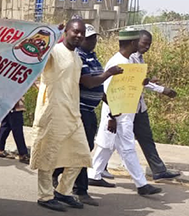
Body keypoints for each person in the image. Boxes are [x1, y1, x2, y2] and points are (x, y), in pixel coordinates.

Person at [51, 24, 123, 206]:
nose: (92, 41)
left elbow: (97, 87)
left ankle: (57, 170)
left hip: (90, 110)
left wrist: (111, 107)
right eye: (88, 38)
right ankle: (80, 189)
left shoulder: (92, 57)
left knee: (85, 148)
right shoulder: (78, 57)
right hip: (79, 109)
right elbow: (89, 82)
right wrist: (109, 73)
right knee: (82, 151)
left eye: (93, 38)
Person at [88, 28, 163, 196]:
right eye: (138, 41)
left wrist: (143, 82)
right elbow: (107, 92)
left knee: (107, 145)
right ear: (132, 43)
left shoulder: (128, 61)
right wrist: (112, 117)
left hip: (123, 112)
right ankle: (142, 184)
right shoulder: (117, 62)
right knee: (127, 147)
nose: (140, 44)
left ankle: (94, 174)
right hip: (117, 114)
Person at [29, 19, 90, 212]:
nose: (79, 35)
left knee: (81, 155)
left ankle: (63, 191)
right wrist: (51, 35)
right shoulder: (54, 52)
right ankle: (45, 195)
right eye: (75, 31)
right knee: (48, 155)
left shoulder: (78, 57)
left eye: (82, 33)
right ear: (67, 32)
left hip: (72, 113)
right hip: (52, 112)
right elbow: (34, 56)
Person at [127, 30, 180, 180]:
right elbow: (135, 81)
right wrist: (163, 90)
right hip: (128, 106)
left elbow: (141, 81)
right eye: (145, 43)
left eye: (149, 44)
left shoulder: (139, 58)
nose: (147, 47)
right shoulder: (129, 58)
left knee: (146, 137)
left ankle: (158, 169)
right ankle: (97, 171)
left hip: (138, 106)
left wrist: (150, 81)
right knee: (112, 141)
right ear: (136, 41)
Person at [0, 97, 29, 164]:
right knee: (17, 129)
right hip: (14, 104)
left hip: (7, 103)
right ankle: (23, 153)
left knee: (6, 125)